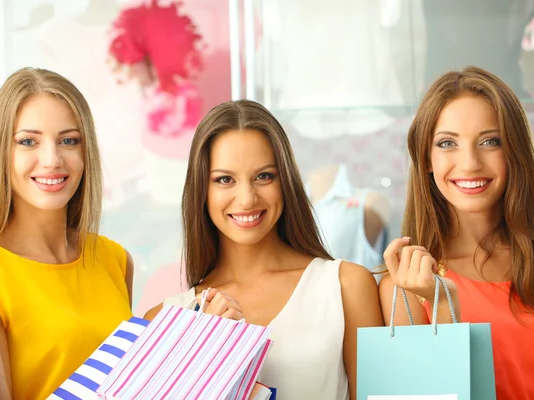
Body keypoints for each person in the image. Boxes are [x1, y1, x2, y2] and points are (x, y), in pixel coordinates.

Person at [145, 100, 383, 400]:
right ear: (201, 190)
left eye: (264, 176)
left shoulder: (345, 286)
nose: (246, 198)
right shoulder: (165, 320)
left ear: (285, 182)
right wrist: (201, 352)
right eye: (224, 179)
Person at [379, 66, 534, 400]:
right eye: (448, 143)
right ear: (426, 158)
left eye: (490, 141)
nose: (469, 163)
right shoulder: (405, 285)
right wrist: (443, 305)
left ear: (514, 152)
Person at [0, 67, 134, 400]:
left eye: (68, 140)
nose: (52, 159)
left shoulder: (113, 259)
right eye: (28, 141)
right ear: (2, 152)